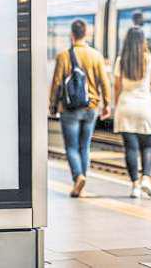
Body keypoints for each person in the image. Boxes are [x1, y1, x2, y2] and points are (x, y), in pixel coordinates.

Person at [49, 19, 111, 198]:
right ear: (87, 34)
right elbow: (104, 83)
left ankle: (78, 176)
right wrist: (106, 104)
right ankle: (82, 183)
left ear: (72, 35)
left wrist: (52, 105)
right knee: (85, 147)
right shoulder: (96, 55)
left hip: (69, 108)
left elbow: (56, 83)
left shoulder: (63, 56)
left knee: (71, 147)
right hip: (91, 106)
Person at [113, 27, 151, 199]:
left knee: (131, 148)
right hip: (145, 107)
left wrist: (114, 105)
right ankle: (146, 180)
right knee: (148, 145)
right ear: (143, 41)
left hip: (125, 106)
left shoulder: (121, 60)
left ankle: (135, 186)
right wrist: (147, 84)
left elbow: (117, 87)